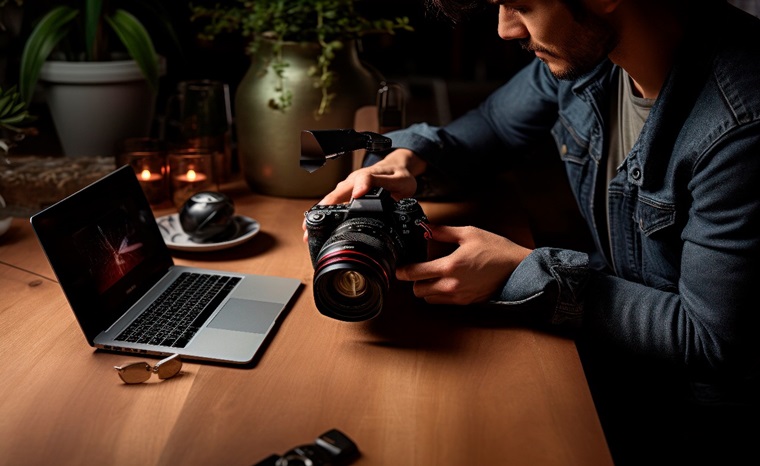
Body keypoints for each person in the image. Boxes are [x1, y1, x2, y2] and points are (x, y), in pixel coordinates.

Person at [306, 0, 760, 464]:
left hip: (692, 421)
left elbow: (712, 341)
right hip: (616, 356)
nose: (505, 28)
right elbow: (493, 128)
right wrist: (406, 161)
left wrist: (523, 270)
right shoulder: (590, 54)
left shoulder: (742, 122)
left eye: (522, 4)